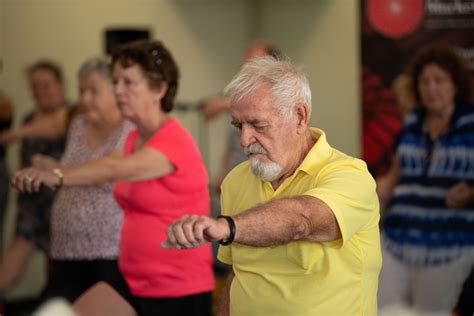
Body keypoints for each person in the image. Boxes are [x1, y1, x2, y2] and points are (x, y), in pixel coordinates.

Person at [162, 56, 382, 315]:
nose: (244, 140)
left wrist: (227, 226)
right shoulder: (237, 180)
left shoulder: (351, 175)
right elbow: (238, 275)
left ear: (300, 117)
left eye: (257, 125)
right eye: (238, 126)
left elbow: (303, 220)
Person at [12, 39, 214, 316]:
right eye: (115, 81)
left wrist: (56, 175)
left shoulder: (174, 139)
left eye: (128, 83)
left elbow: (114, 169)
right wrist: (52, 169)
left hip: (176, 287)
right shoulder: (133, 137)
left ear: (159, 88)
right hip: (131, 279)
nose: (118, 90)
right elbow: (107, 164)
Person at [377, 44, 474, 314]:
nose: (431, 88)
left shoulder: (471, 124)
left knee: (429, 313)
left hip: (449, 242)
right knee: (384, 309)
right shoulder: (412, 124)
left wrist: (470, 194)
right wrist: (372, 196)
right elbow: (393, 177)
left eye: (439, 80)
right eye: (424, 81)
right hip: (398, 238)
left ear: (455, 83)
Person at [34, 57, 133, 303]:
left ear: (115, 91)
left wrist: (55, 170)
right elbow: (74, 168)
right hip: (65, 245)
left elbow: (107, 169)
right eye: (81, 91)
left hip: (107, 249)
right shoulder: (78, 124)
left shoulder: (130, 127)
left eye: (93, 91)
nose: (85, 99)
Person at [0, 60, 68, 308]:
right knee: (9, 267)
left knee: (57, 275)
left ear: (60, 86)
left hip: (59, 206)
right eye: (35, 86)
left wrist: (11, 135)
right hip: (31, 206)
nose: (40, 91)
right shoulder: (30, 116)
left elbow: (56, 126)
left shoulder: (71, 114)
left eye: (46, 84)